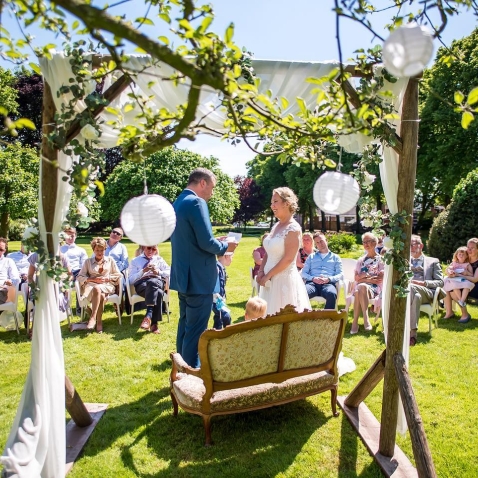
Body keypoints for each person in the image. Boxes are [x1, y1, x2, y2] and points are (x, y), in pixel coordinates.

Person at [171, 168, 237, 368]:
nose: (212, 193)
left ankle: (180, 368)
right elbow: (206, 243)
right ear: (202, 183)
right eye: (212, 187)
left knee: (184, 326)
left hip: (184, 276)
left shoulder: (178, 202)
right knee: (196, 330)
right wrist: (226, 246)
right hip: (199, 279)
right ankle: (191, 374)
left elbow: (193, 239)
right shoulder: (196, 202)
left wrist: (214, 241)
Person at [256, 187, 310, 315]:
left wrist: (268, 275)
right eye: (271, 202)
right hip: (268, 280)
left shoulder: (293, 228)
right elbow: (269, 252)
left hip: (283, 281)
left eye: (275, 202)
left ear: (287, 203)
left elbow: (288, 259)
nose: (272, 206)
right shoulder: (276, 226)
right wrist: (261, 271)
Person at [77, 237, 121, 333]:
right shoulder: (88, 262)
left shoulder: (110, 260)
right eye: (97, 250)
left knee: (98, 289)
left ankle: (92, 317)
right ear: (93, 250)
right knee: (99, 292)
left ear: (105, 249)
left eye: (102, 250)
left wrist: (108, 278)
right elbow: (80, 276)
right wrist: (91, 279)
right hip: (91, 287)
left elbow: (119, 274)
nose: (99, 252)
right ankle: (99, 322)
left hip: (107, 285)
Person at [408, 234, 444, 344]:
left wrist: (423, 283)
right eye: (409, 245)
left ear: (421, 245)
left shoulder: (433, 261)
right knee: (415, 296)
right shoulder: (404, 261)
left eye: (413, 244)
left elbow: (440, 282)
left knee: (411, 287)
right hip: (411, 293)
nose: (411, 248)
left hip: (427, 292)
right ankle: (413, 333)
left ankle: (402, 327)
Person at [128, 244, 170, 334]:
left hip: (157, 281)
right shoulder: (136, 260)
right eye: (149, 248)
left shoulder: (159, 259)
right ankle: (154, 324)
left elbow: (170, 271)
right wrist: (143, 271)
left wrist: (158, 272)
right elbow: (130, 280)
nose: (151, 251)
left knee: (153, 282)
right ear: (144, 248)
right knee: (158, 293)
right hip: (142, 284)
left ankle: (148, 316)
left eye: (154, 249)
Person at [350, 233, 384, 334]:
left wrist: (363, 276)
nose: (366, 244)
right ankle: (364, 319)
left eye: (368, 241)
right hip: (362, 288)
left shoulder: (381, 260)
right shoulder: (361, 260)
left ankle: (356, 322)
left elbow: (379, 279)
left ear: (374, 243)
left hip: (374, 289)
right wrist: (369, 278)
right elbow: (356, 278)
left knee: (360, 288)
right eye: (364, 242)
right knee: (359, 288)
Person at [302, 232, 343, 310]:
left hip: (328, 284)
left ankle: (327, 319)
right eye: (317, 242)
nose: (320, 244)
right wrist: (313, 278)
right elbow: (304, 273)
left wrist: (328, 279)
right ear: (315, 244)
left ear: (326, 240)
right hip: (312, 284)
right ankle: (304, 316)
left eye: (321, 241)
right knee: (302, 293)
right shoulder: (311, 257)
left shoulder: (335, 257)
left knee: (332, 294)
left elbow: (340, 274)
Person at [444, 237, 478, 323]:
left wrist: (459, 275)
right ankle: (449, 312)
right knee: (447, 285)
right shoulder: (463, 257)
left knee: (453, 289)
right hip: (461, 282)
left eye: (472, 248)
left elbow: (474, 279)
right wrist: (449, 271)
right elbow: (449, 268)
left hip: (475, 286)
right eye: (468, 247)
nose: (469, 250)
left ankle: (465, 314)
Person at [60, 226, 88, 315]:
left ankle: (80, 308)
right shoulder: (59, 250)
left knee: (81, 280)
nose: (70, 238)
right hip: (63, 272)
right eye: (68, 236)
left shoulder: (80, 250)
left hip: (77, 272)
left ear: (75, 236)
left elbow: (84, 265)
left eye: (72, 236)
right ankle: (64, 307)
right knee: (63, 282)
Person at [212, 252, 233, 330]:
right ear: (226, 256)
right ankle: (226, 333)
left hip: (219, 299)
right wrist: (218, 298)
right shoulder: (217, 268)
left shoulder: (221, 268)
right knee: (225, 316)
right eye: (232, 257)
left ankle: (216, 333)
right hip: (216, 299)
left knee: (218, 318)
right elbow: (214, 285)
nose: (232, 260)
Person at [0, 237, 20, 305]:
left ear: (4, 251)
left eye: (1, 249)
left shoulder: (8, 261)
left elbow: (16, 279)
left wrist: (10, 282)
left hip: (2, 289)